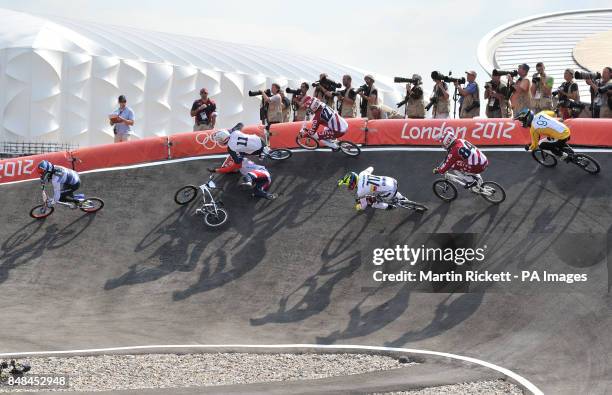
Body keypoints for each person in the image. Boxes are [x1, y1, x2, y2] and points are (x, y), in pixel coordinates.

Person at [338, 167, 407, 211]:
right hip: (392, 180)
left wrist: (359, 207)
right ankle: (402, 197)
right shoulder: (362, 173)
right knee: (381, 188)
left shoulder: (360, 191)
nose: (350, 186)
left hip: (389, 191)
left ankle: (389, 207)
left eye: (350, 184)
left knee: (373, 202)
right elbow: (371, 168)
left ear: (353, 182)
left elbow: (364, 203)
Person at [209, 157, 277, 200]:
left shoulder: (240, 161)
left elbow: (228, 169)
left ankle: (249, 182)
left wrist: (215, 170)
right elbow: (231, 170)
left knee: (248, 175)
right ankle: (268, 195)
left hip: (262, 172)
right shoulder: (241, 167)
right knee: (257, 191)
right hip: (266, 180)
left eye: (231, 163)